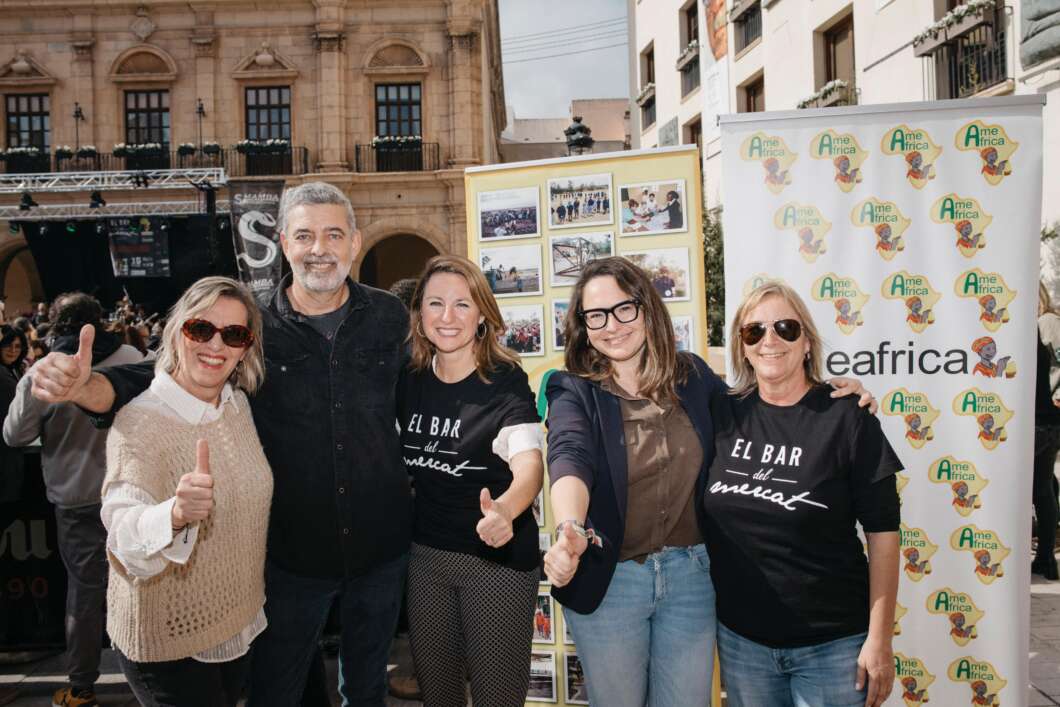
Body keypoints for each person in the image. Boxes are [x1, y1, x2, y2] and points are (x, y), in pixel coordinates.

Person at [28, 182, 412, 706]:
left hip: (379, 549)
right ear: (282, 242)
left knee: (366, 693)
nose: (318, 248)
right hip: (291, 557)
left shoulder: (390, 318)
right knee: (277, 693)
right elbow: (168, 374)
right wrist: (89, 387)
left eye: (332, 234)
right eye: (304, 235)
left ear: (355, 242)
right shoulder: (250, 327)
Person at [541, 259, 874, 707]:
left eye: (624, 309)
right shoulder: (574, 389)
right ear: (582, 326)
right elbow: (569, 456)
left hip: (692, 579)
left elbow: (765, 391)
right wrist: (569, 529)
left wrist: (829, 393)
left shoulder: (694, 377)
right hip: (612, 581)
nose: (612, 325)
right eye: (595, 315)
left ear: (647, 309)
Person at [702, 281, 900, 707]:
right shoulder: (721, 413)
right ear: (742, 345)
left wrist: (880, 639)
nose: (769, 340)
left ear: (807, 341)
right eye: (754, 331)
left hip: (833, 646)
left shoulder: (847, 417)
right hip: (743, 644)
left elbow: (884, 535)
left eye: (785, 328)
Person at [102, 276, 271, 706]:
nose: (216, 346)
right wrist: (173, 515)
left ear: (246, 348)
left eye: (233, 334)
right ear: (178, 330)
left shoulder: (237, 405)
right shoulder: (140, 422)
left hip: (236, 621)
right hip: (170, 640)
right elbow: (122, 530)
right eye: (202, 329)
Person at [399, 255, 544, 706]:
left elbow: (530, 464)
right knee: (439, 698)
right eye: (435, 303)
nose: (447, 317)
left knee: (496, 698)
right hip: (426, 560)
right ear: (419, 315)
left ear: (482, 315)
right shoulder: (408, 381)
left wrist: (506, 509)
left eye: (462, 305)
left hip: (495, 563)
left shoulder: (504, 383)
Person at [3, 293, 144, 707]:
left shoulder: (43, 373)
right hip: (135, 493)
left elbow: (14, 435)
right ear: (100, 321)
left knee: (85, 594)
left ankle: (82, 687)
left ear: (56, 325)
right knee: (141, 587)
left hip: (77, 498)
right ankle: (150, 680)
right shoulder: (133, 356)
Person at [1034, 282, 1060, 579]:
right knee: (1043, 486)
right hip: (1042, 418)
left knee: (1040, 488)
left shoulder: (1047, 322)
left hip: (1045, 418)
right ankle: (1045, 559)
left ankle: (1045, 558)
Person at [0, 324, 28, 502]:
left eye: (18, 346)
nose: (13, 350)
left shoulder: (14, 370)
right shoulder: (3, 374)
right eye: (8, 345)